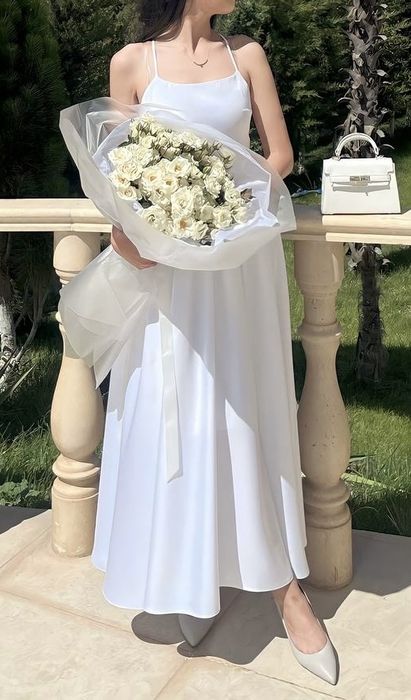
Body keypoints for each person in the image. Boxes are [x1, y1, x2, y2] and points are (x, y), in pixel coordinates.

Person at [91, 0, 338, 685]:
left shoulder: (245, 56)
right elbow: (119, 176)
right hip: (171, 277)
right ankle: (194, 580)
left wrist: (219, 206)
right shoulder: (131, 63)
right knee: (184, 420)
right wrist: (138, 230)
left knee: (243, 416)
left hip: (240, 263)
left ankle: (288, 594)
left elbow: (279, 156)